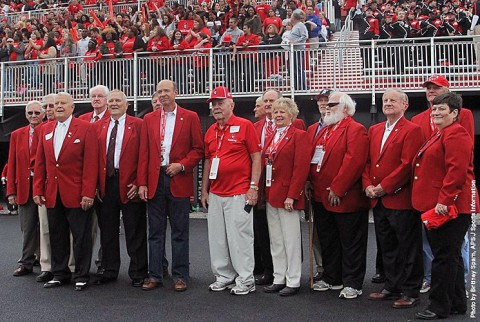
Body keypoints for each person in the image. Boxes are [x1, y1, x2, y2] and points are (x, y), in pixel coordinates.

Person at [413, 92, 478, 320]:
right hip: (445, 205)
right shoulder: (442, 134)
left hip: (451, 207)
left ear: (455, 113)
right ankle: (457, 303)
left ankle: (439, 306)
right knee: (450, 257)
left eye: (442, 109)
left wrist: (444, 200)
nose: (437, 113)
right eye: (434, 109)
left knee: (443, 258)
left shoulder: (456, 134)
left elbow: (456, 172)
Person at [138, 80, 204, 292]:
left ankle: (180, 276)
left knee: (179, 232)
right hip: (155, 180)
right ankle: (155, 275)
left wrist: (182, 165)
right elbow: (144, 154)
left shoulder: (190, 117)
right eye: (160, 91)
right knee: (155, 232)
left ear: (176, 92)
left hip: (178, 178)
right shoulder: (149, 118)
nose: (163, 94)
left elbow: (198, 149)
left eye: (167, 90)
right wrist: (142, 183)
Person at [363, 89, 424, 309]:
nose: (388, 103)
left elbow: (408, 164)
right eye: (385, 100)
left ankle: (410, 291)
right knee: (387, 247)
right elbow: (367, 162)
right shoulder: (375, 130)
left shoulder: (413, 130)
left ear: (405, 105)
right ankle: (392, 285)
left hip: (400, 199)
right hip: (378, 200)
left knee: (408, 248)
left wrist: (383, 187)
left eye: (393, 100)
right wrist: (368, 185)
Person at [33, 92, 99, 292]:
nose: (58, 106)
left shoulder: (86, 128)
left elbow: (91, 164)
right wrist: (38, 189)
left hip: (78, 194)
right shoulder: (45, 129)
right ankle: (60, 273)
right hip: (53, 193)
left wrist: (88, 192)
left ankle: (81, 274)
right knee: (57, 235)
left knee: (81, 236)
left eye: (63, 103)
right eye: (56, 104)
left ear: (72, 108)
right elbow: (41, 163)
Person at [200, 86, 261, 295]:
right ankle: (224, 276)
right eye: (213, 104)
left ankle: (246, 278)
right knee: (217, 237)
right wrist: (204, 190)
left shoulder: (245, 126)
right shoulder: (210, 130)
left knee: (240, 237)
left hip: (239, 192)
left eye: (220, 103)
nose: (216, 107)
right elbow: (208, 162)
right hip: (216, 193)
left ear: (231, 104)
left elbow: (256, 157)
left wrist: (253, 187)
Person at [309, 91, 370, 299]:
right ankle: (332, 277)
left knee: (351, 242)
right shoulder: (325, 130)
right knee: (329, 239)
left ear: (345, 108)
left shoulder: (355, 129)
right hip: (322, 197)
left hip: (346, 198)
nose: (327, 107)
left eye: (332, 104)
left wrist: (338, 187)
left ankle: (353, 282)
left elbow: (354, 161)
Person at [94, 90, 147, 287]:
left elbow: (144, 155)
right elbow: (93, 159)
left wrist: (140, 182)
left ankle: (138, 272)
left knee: (135, 230)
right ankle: (109, 270)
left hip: (130, 184)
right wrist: (96, 185)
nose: (114, 103)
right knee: (107, 231)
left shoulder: (139, 125)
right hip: (106, 184)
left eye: (118, 100)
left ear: (127, 105)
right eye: (111, 101)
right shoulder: (98, 126)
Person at [262, 98, 310, 296]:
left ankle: (293, 279)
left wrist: (293, 195)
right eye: (275, 112)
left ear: (291, 114)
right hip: (271, 194)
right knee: (276, 240)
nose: (278, 115)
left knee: (291, 239)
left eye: (282, 112)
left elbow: (300, 169)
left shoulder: (299, 135)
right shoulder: (272, 135)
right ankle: (279, 277)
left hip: (287, 196)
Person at [7, 100, 45, 277]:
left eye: (37, 113)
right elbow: (12, 164)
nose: (33, 116)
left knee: (48, 227)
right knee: (27, 227)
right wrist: (11, 191)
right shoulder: (16, 134)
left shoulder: (49, 130)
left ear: (43, 114)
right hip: (24, 187)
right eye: (30, 113)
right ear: (25, 115)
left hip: (44, 187)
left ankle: (47, 260)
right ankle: (27, 262)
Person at [306, 89, 332, 281]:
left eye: (327, 100)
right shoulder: (312, 128)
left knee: (333, 232)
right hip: (315, 186)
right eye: (320, 101)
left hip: (333, 188)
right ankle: (322, 267)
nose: (323, 104)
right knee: (317, 232)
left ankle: (334, 269)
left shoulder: (337, 125)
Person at [287, 9, 308, 90]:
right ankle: (296, 86)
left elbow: (304, 36)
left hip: (298, 50)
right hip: (293, 50)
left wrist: (295, 42)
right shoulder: (295, 26)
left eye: (291, 16)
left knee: (297, 68)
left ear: (294, 18)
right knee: (293, 68)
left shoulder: (300, 25)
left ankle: (301, 86)